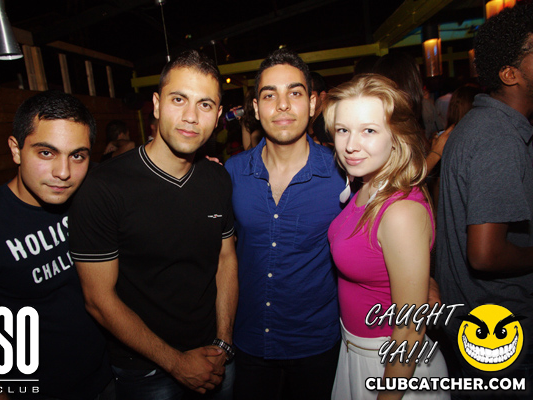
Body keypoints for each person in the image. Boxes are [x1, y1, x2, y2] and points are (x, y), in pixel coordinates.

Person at [69, 50, 238, 400]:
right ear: (157, 105)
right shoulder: (104, 187)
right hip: (146, 368)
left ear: (218, 116)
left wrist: (224, 341)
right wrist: (176, 363)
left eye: (205, 105)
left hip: (215, 356)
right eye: (179, 99)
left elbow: (225, 260)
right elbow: (98, 299)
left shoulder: (218, 179)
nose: (191, 116)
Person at [0, 91, 113, 399]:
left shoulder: (88, 199)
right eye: (46, 153)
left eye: (77, 156)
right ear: (16, 150)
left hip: (105, 379)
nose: (63, 172)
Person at [225, 48, 345, 400]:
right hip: (248, 342)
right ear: (256, 108)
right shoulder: (232, 173)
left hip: (315, 346)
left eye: (294, 93)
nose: (282, 105)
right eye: (269, 95)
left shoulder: (343, 174)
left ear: (313, 103)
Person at [324, 74, 449, 399]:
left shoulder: (400, 212)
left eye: (369, 130)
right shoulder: (367, 185)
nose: (351, 145)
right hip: (356, 352)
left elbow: (409, 330)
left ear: (397, 136)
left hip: (389, 364)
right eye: (343, 130)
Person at [436, 4, 533, 397]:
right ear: (510, 74)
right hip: (499, 329)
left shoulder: (484, 124)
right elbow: (485, 255)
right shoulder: (497, 137)